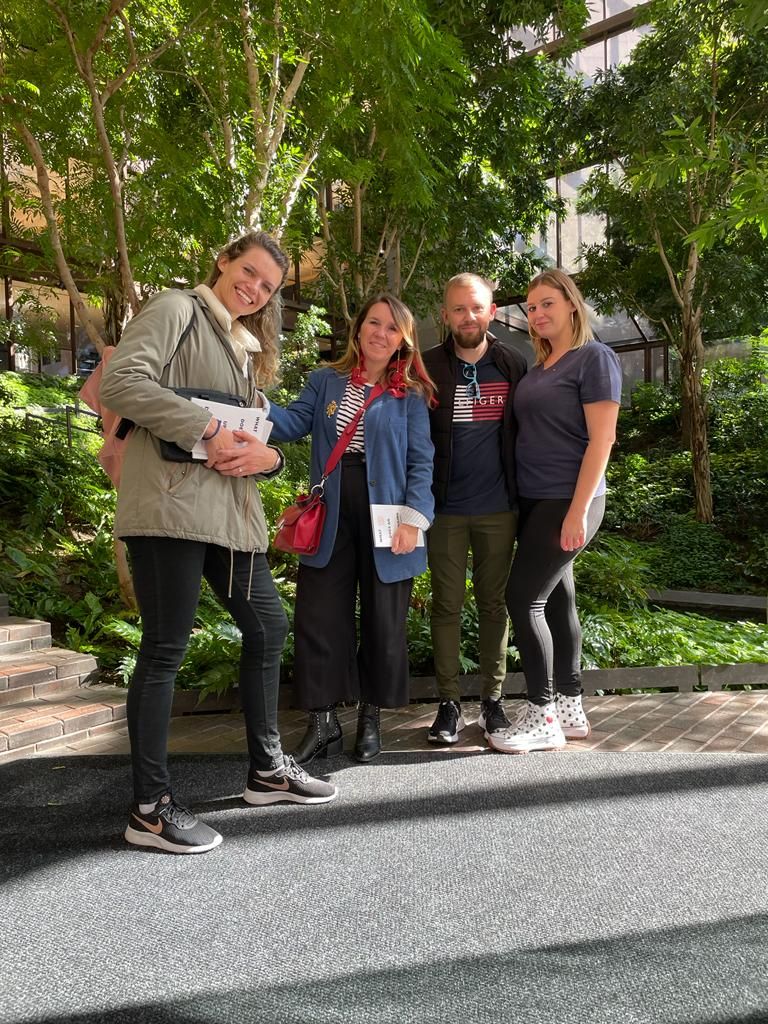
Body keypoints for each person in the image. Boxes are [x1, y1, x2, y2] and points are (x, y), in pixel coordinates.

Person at [100, 230, 336, 855]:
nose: (254, 288)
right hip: (170, 510)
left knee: (267, 627)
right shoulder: (178, 308)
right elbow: (121, 384)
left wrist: (272, 462)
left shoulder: (242, 346)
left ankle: (266, 770)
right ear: (224, 261)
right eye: (249, 272)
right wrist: (204, 423)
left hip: (231, 519)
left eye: (268, 286)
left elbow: (256, 434)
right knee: (165, 650)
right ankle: (149, 809)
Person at [268, 294, 435, 764]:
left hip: (390, 516)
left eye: (391, 327)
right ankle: (323, 726)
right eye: (373, 323)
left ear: (403, 339)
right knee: (319, 616)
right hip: (333, 509)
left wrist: (413, 519)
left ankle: (370, 718)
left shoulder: (411, 394)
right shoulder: (326, 380)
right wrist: (253, 407)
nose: (380, 333)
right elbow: (293, 422)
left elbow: (422, 462)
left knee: (385, 621)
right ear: (358, 328)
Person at [489, 269, 622, 754]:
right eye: (531, 307)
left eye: (547, 303)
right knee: (559, 599)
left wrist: (577, 511)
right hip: (537, 499)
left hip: (570, 500)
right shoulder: (541, 365)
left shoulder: (595, 358)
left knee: (522, 598)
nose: (537, 313)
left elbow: (602, 440)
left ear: (571, 304)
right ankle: (569, 706)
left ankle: (541, 712)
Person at [421, 274, 527, 745]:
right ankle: (447, 704)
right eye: (459, 309)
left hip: (498, 508)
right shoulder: (424, 368)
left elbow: (527, 434)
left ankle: (492, 702)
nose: (468, 317)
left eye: (477, 307)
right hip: (443, 509)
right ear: (445, 315)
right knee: (445, 605)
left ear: (493, 311)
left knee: (494, 605)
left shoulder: (512, 363)